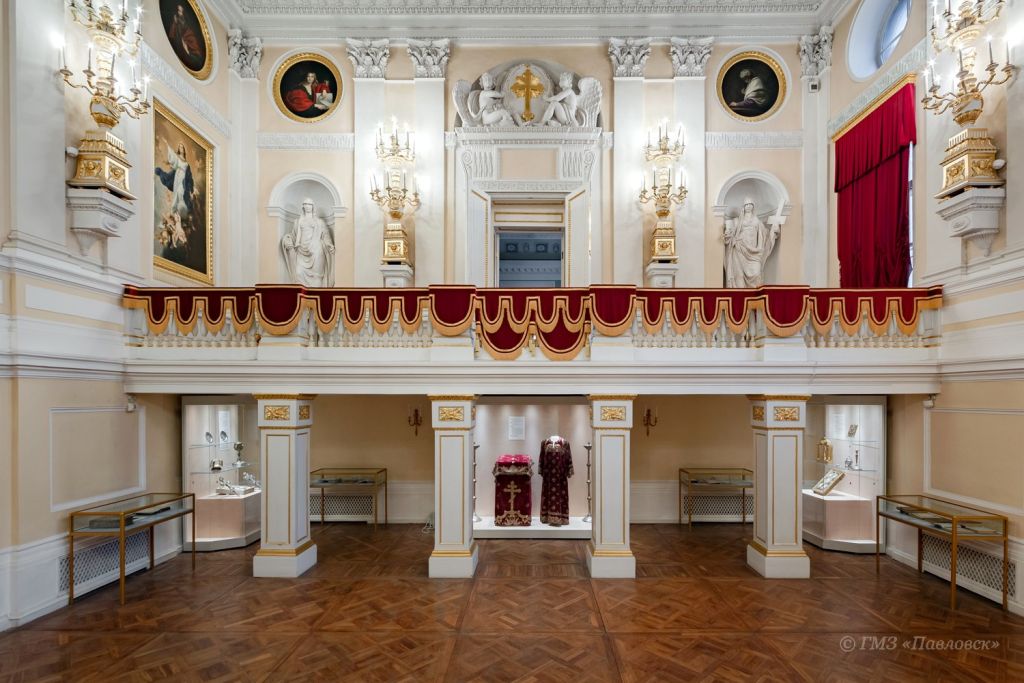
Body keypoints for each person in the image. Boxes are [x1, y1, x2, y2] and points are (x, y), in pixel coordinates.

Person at [724, 198, 779, 288]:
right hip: (740, 248)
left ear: (753, 206)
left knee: (757, 273)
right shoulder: (738, 220)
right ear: (743, 207)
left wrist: (773, 231)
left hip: (754, 252)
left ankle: (756, 294)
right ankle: (740, 294)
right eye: (746, 204)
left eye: (750, 204)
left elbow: (765, 235)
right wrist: (729, 234)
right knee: (739, 275)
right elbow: (731, 232)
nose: (748, 206)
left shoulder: (758, 221)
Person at [281, 198, 336, 287]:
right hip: (301, 250)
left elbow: (325, 234)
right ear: (303, 206)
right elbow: (293, 236)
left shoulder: (319, 222)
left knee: (316, 275)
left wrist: (329, 244)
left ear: (313, 206)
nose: (307, 206)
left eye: (309, 204)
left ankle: (318, 294)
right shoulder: (297, 222)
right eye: (305, 204)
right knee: (298, 272)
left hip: (316, 250)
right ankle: (301, 294)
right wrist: (287, 239)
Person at [168, 3, 204, 72]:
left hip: (188, 36)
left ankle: (192, 55)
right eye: (178, 11)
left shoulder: (187, 23)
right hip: (182, 40)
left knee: (194, 49)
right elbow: (172, 34)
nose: (179, 13)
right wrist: (175, 22)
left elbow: (185, 27)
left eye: (181, 11)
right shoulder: (176, 21)